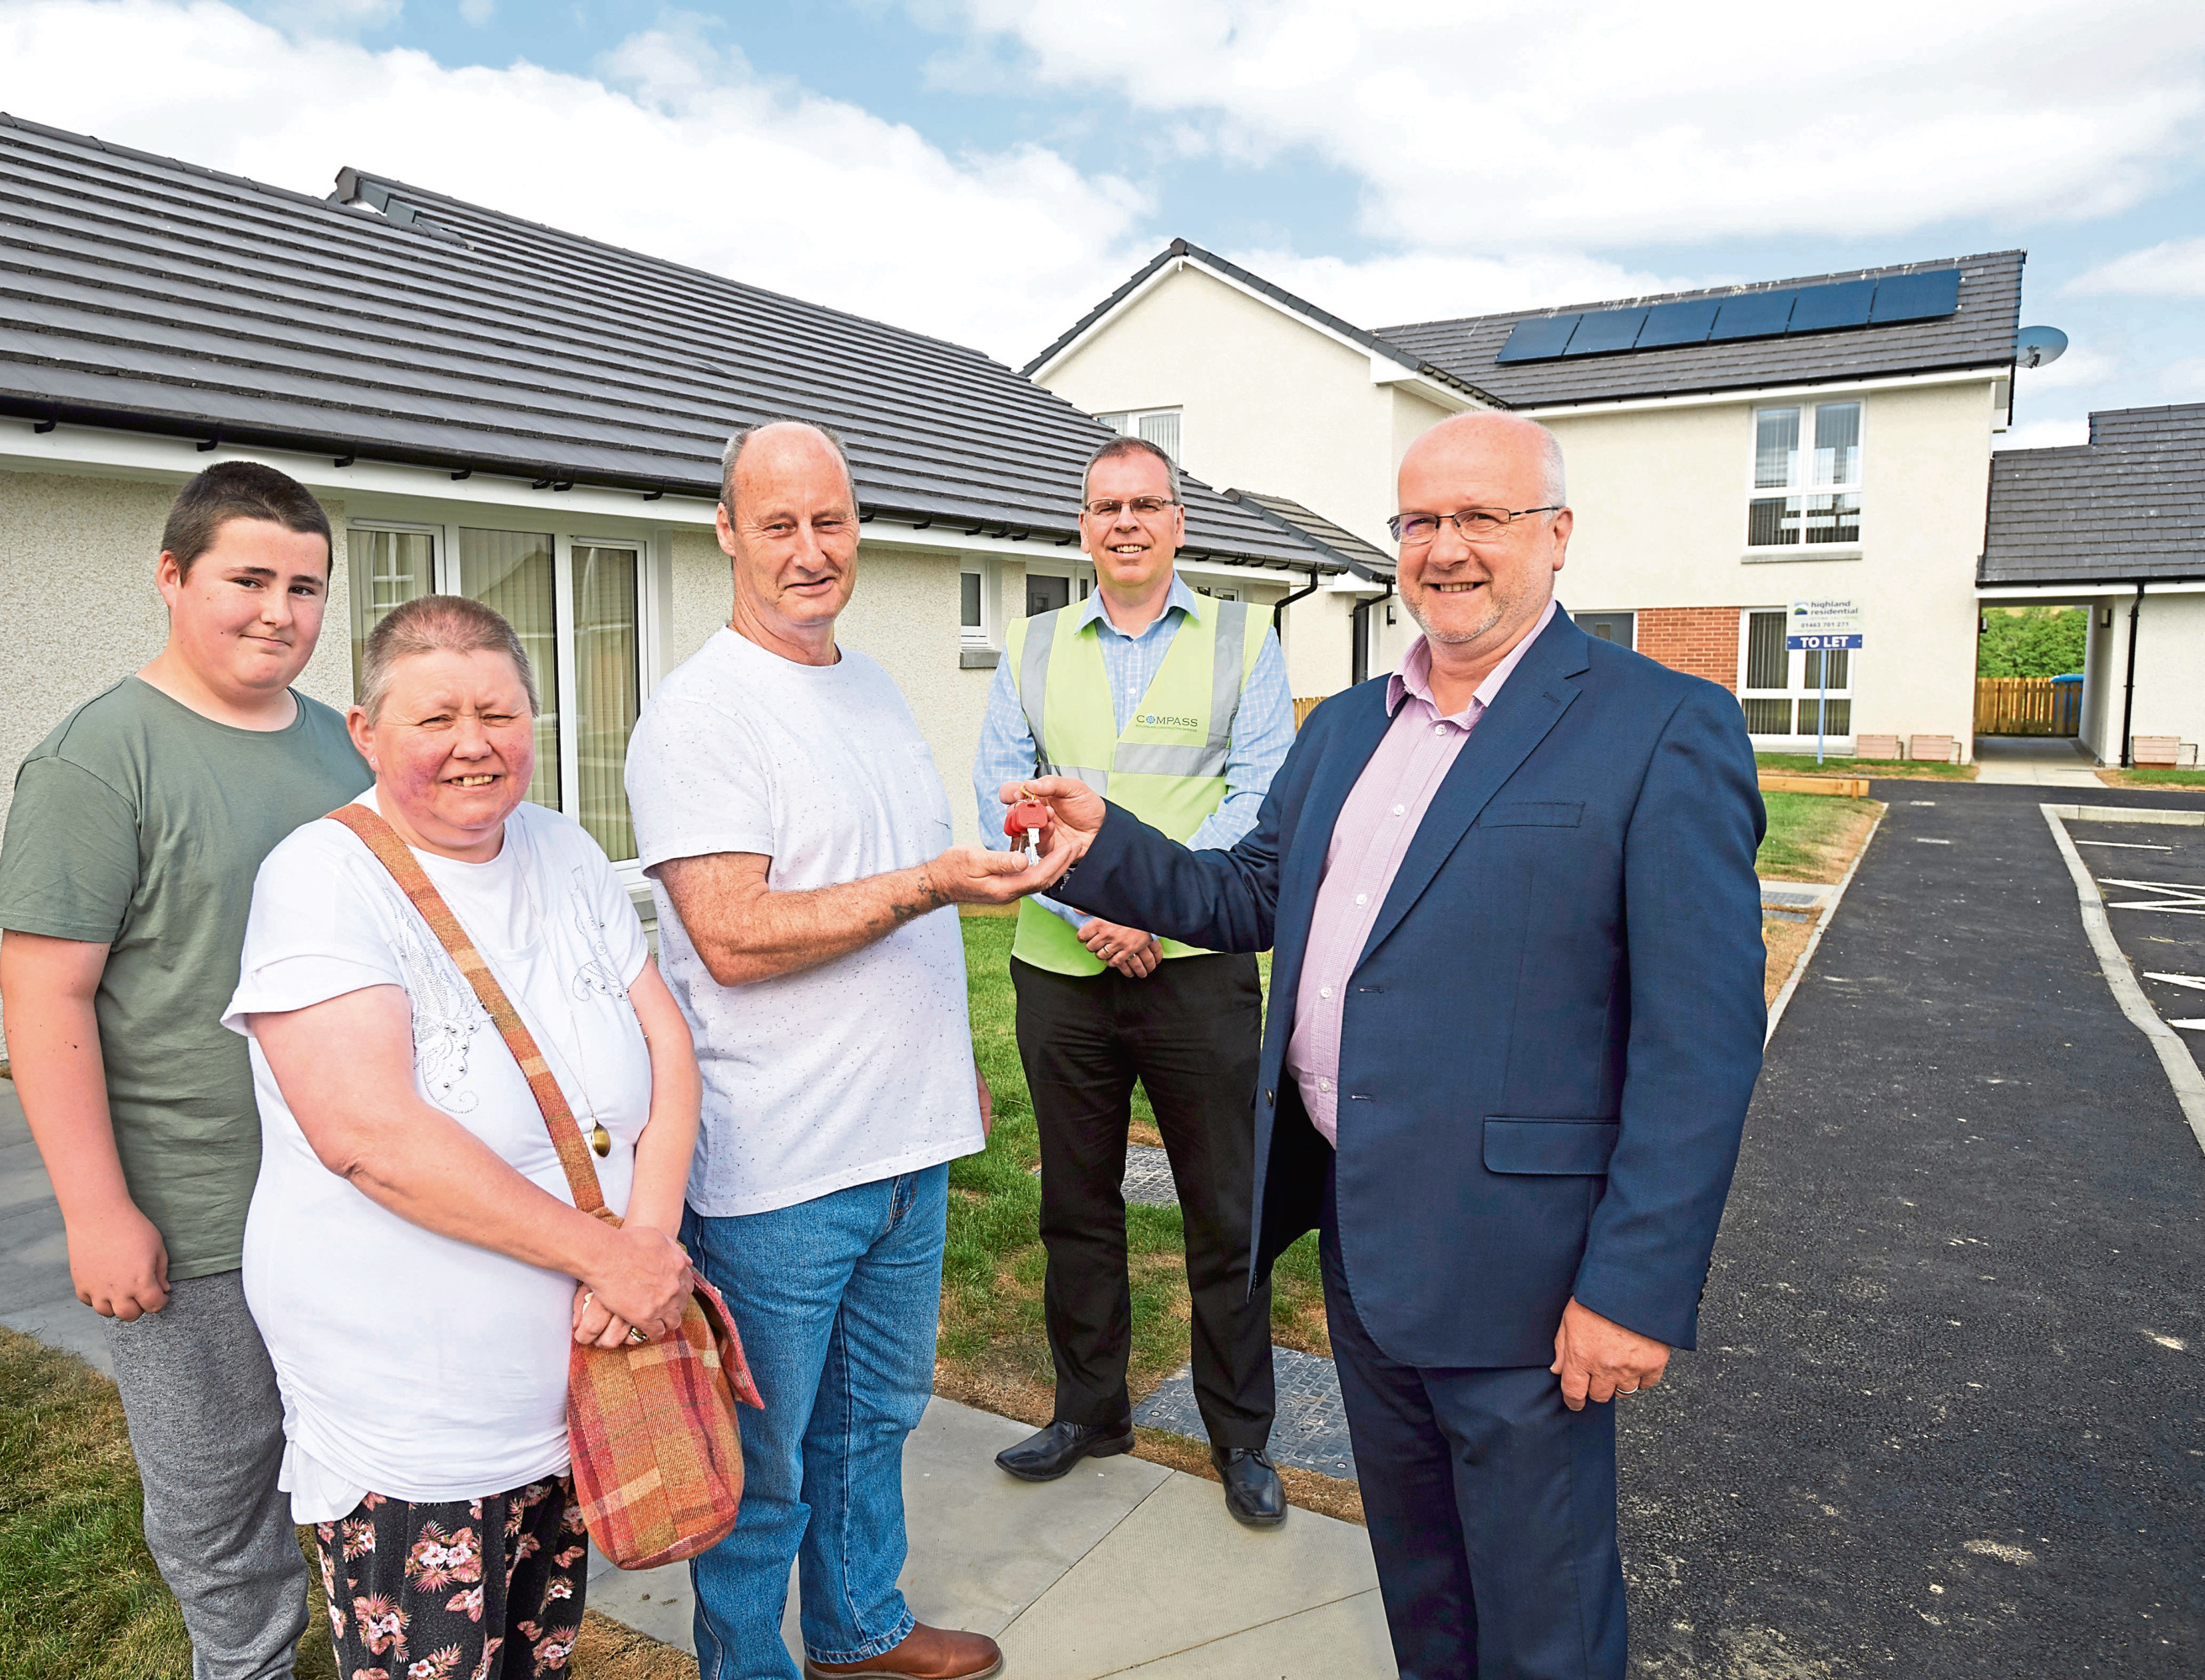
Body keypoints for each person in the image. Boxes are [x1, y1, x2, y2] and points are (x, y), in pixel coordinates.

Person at [1003, 411, 1765, 1679]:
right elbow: (1251, 895)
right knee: (1423, 1584)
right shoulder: (1348, 726)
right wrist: (1109, 842)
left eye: (1484, 518)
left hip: (1528, 1269)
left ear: (1557, 537)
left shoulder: (1658, 726)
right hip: (1363, 1243)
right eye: (1420, 522)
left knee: (1543, 1612)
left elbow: (1702, 1044)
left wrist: (1633, 1288)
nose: (1447, 549)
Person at [625, 420, 1068, 1680]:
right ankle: (746, 1666)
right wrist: (932, 884)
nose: (811, 550)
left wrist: (944, 1061)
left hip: (905, 1142)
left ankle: (858, 1627)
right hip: (779, 1167)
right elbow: (732, 936)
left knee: (876, 1420)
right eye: (779, 524)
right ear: (726, 533)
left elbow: (881, 900)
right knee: (762, 1466)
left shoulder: (868, 687)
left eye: (832, 521)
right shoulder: (701, 716)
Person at [223, 594, 699, 1680]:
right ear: (365, 732)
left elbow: (668, 1053)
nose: (473, 745)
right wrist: (609, 1258)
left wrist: (649, 1246)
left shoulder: (567, 850)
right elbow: (369, 1137)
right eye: (435, 719)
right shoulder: (320, 879)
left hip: (581, 1370)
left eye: (500, 713)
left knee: (540, 1653)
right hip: (417, 1411)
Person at [0, 461, 372, 1680]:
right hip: (193, 1204)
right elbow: (43, 991)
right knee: (218, 1496)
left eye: (306, 587)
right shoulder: (97, 761)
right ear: (171, 577)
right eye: (247, 578)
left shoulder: (346, 747)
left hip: (360, 1187)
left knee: (363, 1459)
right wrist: (99, 1212)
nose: (279, 611)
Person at [970, 434, 1295, 1525]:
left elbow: (1260, 801)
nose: (1125, 523)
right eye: (1105, 505)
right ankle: (1088, 1409)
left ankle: (1241, 1438)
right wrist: (1092, 909)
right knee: (1077, 1205)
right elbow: (1002, 807)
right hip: (1063, 970)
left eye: (1146, 504)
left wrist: (1153, 904)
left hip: (1197, 973)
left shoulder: (1246, 639)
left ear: (1178, 522)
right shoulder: (1030, 646)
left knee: (1225, 1212)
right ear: (1082, 525)